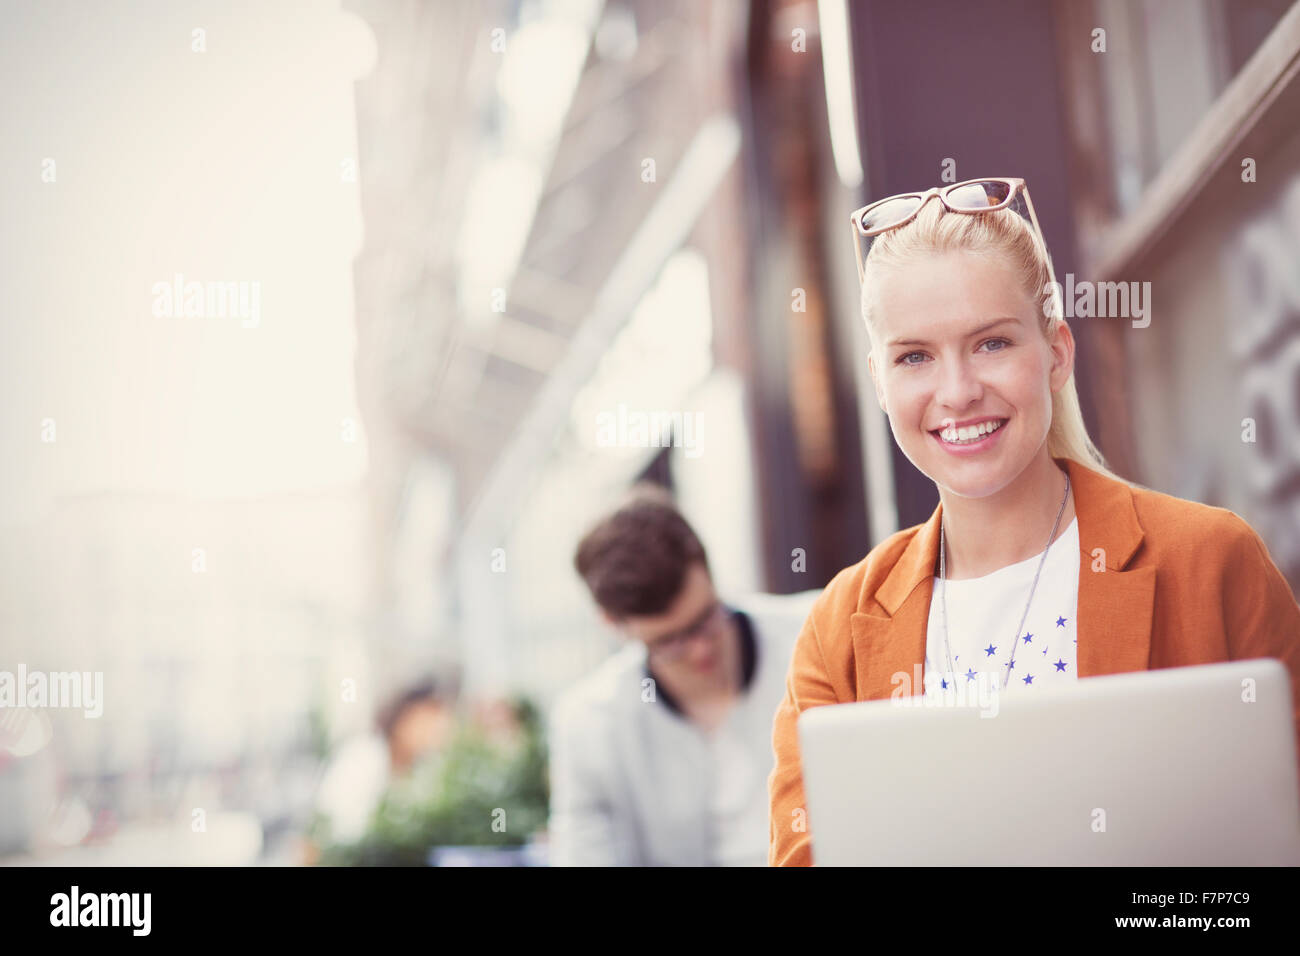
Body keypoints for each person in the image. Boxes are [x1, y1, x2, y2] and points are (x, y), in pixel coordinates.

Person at [768, 177, 1300, 867]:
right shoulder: (841, 629)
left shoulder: (1207, 559)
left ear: (1056, 352)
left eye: (991, 344)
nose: (957, 392)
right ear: (879, 381)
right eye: (914, 357)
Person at [549, 486, 819, 866]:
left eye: (705, 619)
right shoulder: (591, 723)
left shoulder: (818, 635)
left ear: (709, 571)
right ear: (612, 624)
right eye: (670, 641)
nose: (700, 650)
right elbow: (584, 853)